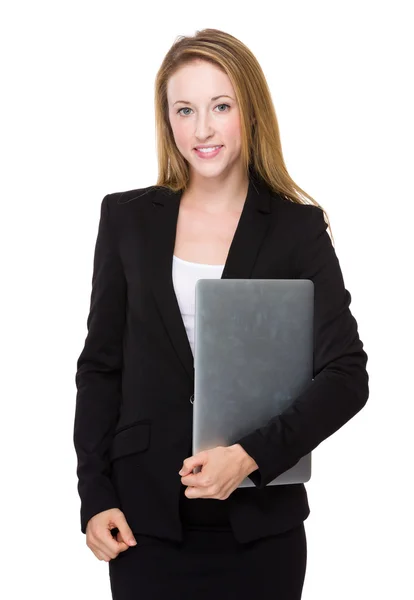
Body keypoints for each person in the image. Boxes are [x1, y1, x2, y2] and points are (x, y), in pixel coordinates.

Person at [73, 28, 369, 600]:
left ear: (249, 112)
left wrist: (252, 457)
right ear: (168, 121)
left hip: (261, 530)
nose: (202, 129)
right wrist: (95, 493)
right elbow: (100, 368)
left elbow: (347, 375)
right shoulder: (127, 220)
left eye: (220, 106)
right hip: (143, 525)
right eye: (185, 110)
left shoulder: (296, 229)